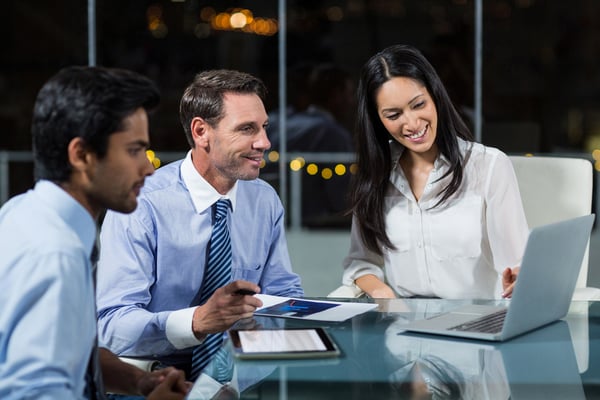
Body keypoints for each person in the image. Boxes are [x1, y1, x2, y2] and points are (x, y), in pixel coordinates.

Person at [96, 69, 304, 383]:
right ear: (201, 132)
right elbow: (111, 326)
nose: (264, 142)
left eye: (263, 127)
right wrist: (196, 322)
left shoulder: (264, 200)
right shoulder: (141, 204)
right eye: (247, 128)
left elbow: (282, 294)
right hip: (156, 382)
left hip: (241, 379)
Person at [0, 66, 188, 399]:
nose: (148, 167)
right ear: (82, 155)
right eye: (134, 151)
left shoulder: (22, 214)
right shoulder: (55, 255)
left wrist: (139, 382)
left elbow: (71, 353)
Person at [341, 44, 529, 300]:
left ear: (435, 97)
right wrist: (387, 300)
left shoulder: (489, 165)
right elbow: (361, 262)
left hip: (475, 325)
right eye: (394, 114)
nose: (412, 123)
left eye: (418, 104)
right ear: (378, 120)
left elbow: (517, 262)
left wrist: (521, 278)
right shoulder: (375, 175)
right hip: (403, 328)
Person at [267, 63, 355, 227]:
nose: (352, 102)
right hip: (316, 228)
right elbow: (341, 197)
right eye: (349, 94)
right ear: (336, 95)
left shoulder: (278, 123)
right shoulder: (331, 133)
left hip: (278, 222)